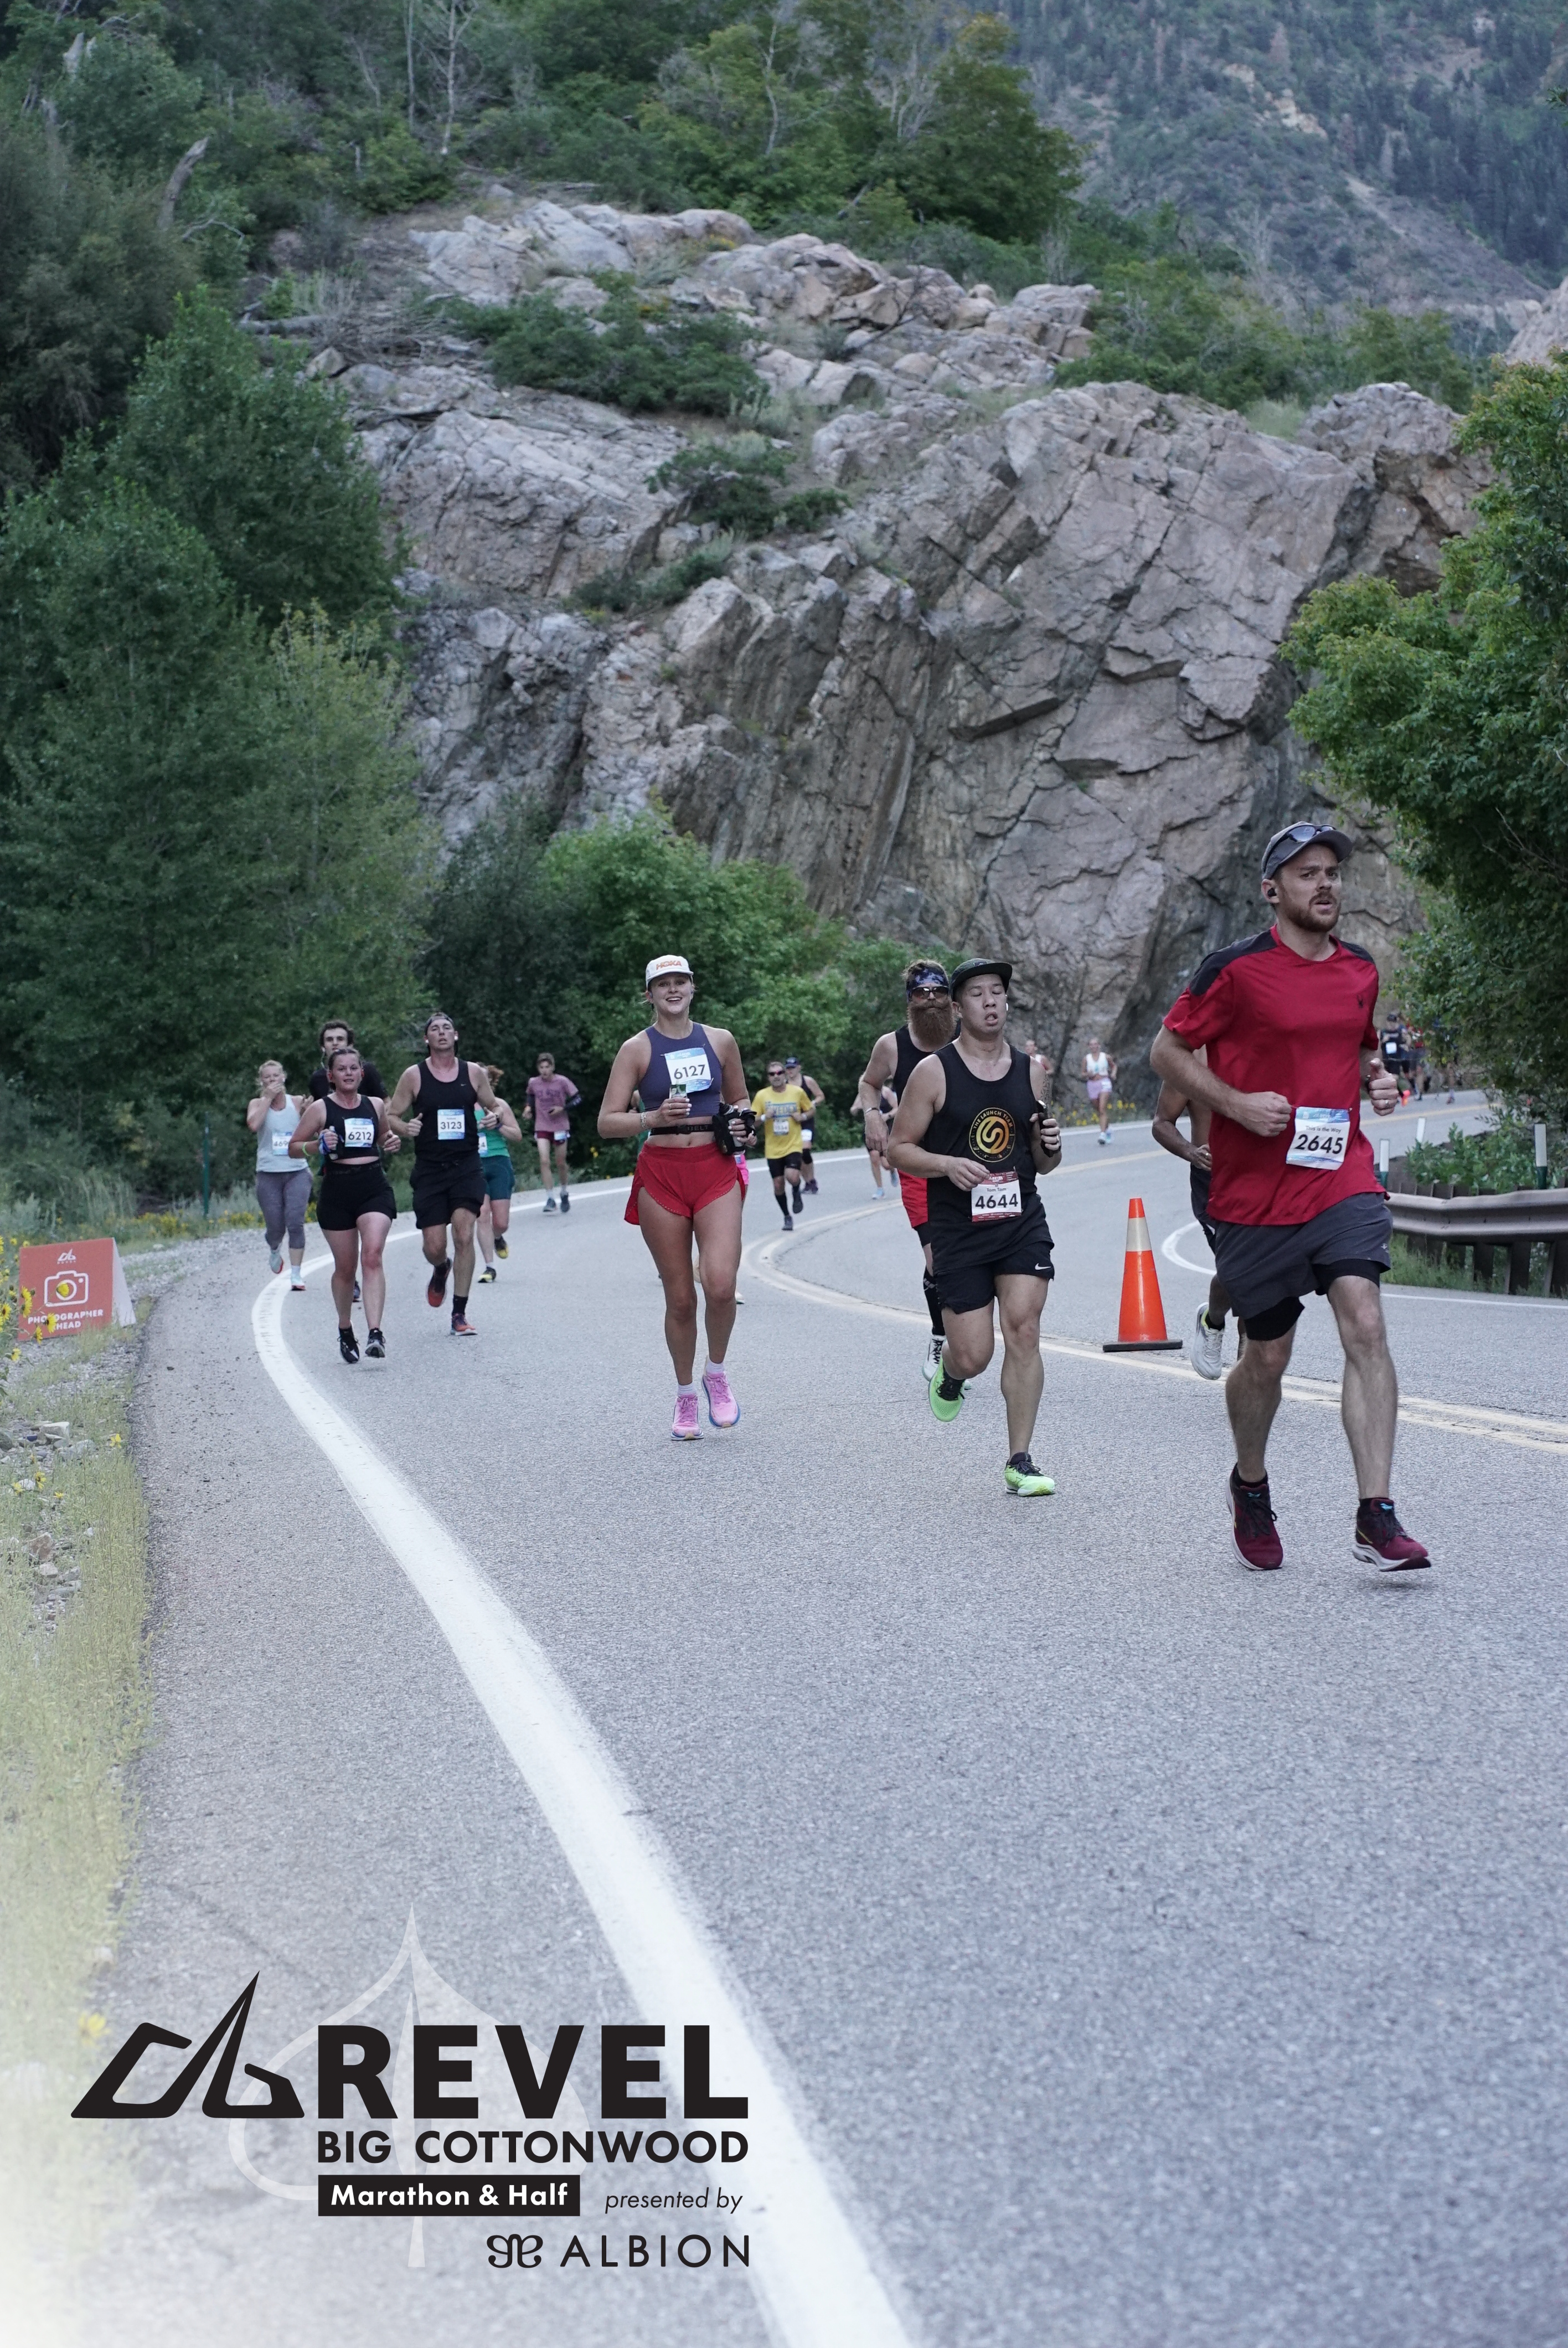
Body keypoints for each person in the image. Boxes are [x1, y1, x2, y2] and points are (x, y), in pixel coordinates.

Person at [1149, 820, 1429, 1574]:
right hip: (1252, 1195)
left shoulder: (1360, 969)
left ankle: (1376, 1513)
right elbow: (1166, 1050)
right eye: (1308, 873)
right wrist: (1235, 1104)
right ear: (1272, 891)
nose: (1326, 883)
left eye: (1332, 871)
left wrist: (1378, 1080)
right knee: (1267, 1356)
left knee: (1365, 1321)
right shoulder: (1234, 971)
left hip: (1341, 1178)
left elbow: (1360, 1048)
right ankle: (1249, 1484)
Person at [888, 960, 1062, 1496]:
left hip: (1020, 1219)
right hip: (959, 1228)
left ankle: (1020, 1461)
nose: (990, 1002)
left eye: (998, 992)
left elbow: (1044, 1162)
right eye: (978, 994)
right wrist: (946, 1165)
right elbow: (899, 1149)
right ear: (959, 1008)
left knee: (1024, 1329)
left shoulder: (1031, 1071)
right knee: (975, 1354)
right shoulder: (934, 1072)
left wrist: (1050, 1146)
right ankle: (953, 1372)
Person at [599, 955, 753, 1440]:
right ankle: (686, 1395)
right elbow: (607, 1122)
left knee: (721, 1285)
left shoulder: (720, 1040)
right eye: (662, 983)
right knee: (681, 1299)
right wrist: (652, 1117)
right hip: (662, 1174)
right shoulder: (636, 1049)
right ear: (649, 994)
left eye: (680, 982)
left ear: (692, 988)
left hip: (715, 1167)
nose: (672, 990)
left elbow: (741, 1099)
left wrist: (742, 1124)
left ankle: (716, 1374)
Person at [857, 961, 957, 1380]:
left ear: (951, 998)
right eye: (921, 993)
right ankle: (940, 1337)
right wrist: (873, 1116)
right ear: (910, 1000)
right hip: (917, 1165)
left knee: (969, 1259)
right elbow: (869, 1083)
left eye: (939, 992)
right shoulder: (892, 1046)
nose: (931, 999)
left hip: (968, 1163)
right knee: (938, 1260)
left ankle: (965, 1336)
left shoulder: (967, 1036)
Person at [385, 1013, 501, 1339]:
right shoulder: (414, 1076)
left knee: (464, 1235)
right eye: (434, 1029)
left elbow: (495, 1107)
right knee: (435, 1246)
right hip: (430, 1169)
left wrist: (495, 1118)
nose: (441, 1033)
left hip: (466, 1166)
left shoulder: (473, 1073)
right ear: (427, 1039)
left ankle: (459, 1313)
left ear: (456, 1035)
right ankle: (440, 1268)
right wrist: (406, 1128)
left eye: (447, 1028)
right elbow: (391, 1115)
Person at [288, 1046, 396, 1363]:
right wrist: (317, 1145)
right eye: (342, 1069)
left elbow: (384, 1137)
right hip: (337, 1190)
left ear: (362, 1073)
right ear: (331, 1076)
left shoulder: (375, 1105)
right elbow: (294, 1147)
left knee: (372, 1255)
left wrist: (391, 1141)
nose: (348, 1073)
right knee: (346, 1269)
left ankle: (375, 1332)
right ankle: (346, 1328)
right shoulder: (321, 1109)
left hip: (373, 1186)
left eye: (353, 1068)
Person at [1151, 1048, 1236, 1379]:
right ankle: (1213, 1320)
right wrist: (1191, 1151)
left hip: (1261, 1179)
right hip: (1212, 1184)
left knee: (1260, 1277)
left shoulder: (1266, 1048)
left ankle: (1251, 1375)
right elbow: (1162, 1123)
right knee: (1238, 1268)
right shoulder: (1190, 1060)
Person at [246, 1060, 310, 1291]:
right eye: (268, 1077)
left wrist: (307, 1111)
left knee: (295, 1222)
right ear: (261, 1081)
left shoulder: (296, 1102)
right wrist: (267, 1099)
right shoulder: (257, 1104)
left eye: (276, 1076)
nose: (273, 1080)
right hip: (268, 1173)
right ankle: (274, 1247)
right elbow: (254, 1125)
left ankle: (296, 1274)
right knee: (276, 1226)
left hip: (297, 1171)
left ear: (284, 1077)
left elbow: (313, 1127)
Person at [751, 1059, 813, 1227]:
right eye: (772, 1074)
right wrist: (764, 1117)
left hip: (793, 1144)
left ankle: (797, 1189)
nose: (776, 1076)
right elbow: (752, 1121)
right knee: (778, 1185)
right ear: (768, 1077)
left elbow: (811, 1110)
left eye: (779, 1073)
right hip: (773, 1148)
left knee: (792, 1176)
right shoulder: (762, 1096)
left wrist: (803, 1116)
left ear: (785, 1075)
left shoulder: (797, 1092)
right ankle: (787, 1216)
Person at [474, 1069, 524, 1282]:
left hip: (499, 1163)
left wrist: (499, 1125)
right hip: (474, 1165)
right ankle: (489, 1267)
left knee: (501, 1222)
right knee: (482, 1214)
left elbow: (518, 1136)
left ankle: (497, 1237)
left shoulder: (500, 1106)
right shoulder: (461, 1107)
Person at [525, 1053, 581, 1213]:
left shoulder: (562, 1081)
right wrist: (528, 1108)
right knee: (544, 1161)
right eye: (541, 1067)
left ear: (553, 1067)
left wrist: (562, 1109)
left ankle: (564, 1191)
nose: (544, 1070)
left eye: (547, 1067)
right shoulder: (534, 1082)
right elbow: (530, 1095)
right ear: (538, 1068)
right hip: (542, 1125)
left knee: (560, 1162)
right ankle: (550, 1198)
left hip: (560, 1126)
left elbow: (578, 1099)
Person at [309, 1019, 385, 1103]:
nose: (335, 1043)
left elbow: (386, 1102)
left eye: (340, 1039)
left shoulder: (367, 1070)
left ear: (350, 1045)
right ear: (323, 1047)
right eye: (330, 1040)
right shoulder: (317, 1078)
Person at [784, 1057, 826, 1193]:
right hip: (791, 1122)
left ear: (799, 1068)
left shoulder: (807, 1081)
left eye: (793, 1068)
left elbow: (820, 1096)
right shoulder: (784, 1084)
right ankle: (809, 1182)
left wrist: (812, 1104)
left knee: (806, 1151)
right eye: (788, 1069)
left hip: (806, 1119)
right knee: (798, 1154)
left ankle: (812, 1179)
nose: (790, 1071)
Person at [854, 1082, 899, 1196]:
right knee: (874, 1157)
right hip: (870, 1131)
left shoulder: (886, 1092)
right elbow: (854, 1109)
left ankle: (892, 1170)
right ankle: (880, 1189)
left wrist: (888, 1116)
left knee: (887, 1164)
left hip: (885, 1131)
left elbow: (897, 1108)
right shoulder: (864, 1093)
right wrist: (856, 1109)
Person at [1083, 1037, 1117, 1142]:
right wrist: (1088, 1074)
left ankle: (1102, 1134)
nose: (1094, 1046)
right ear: (1089, 1047)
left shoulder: (1105, 1057)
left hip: (1104, 1082)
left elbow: (1114, 1066)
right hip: (1092, 1084)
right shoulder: (1086, 1059)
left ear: (1099, 1045)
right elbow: (1082, 1073)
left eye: (1095, 1044)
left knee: (1102, 1109)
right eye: (1091, 1044)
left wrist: (1113, 1074)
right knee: (1099, 1110)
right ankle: (1108, 1128)